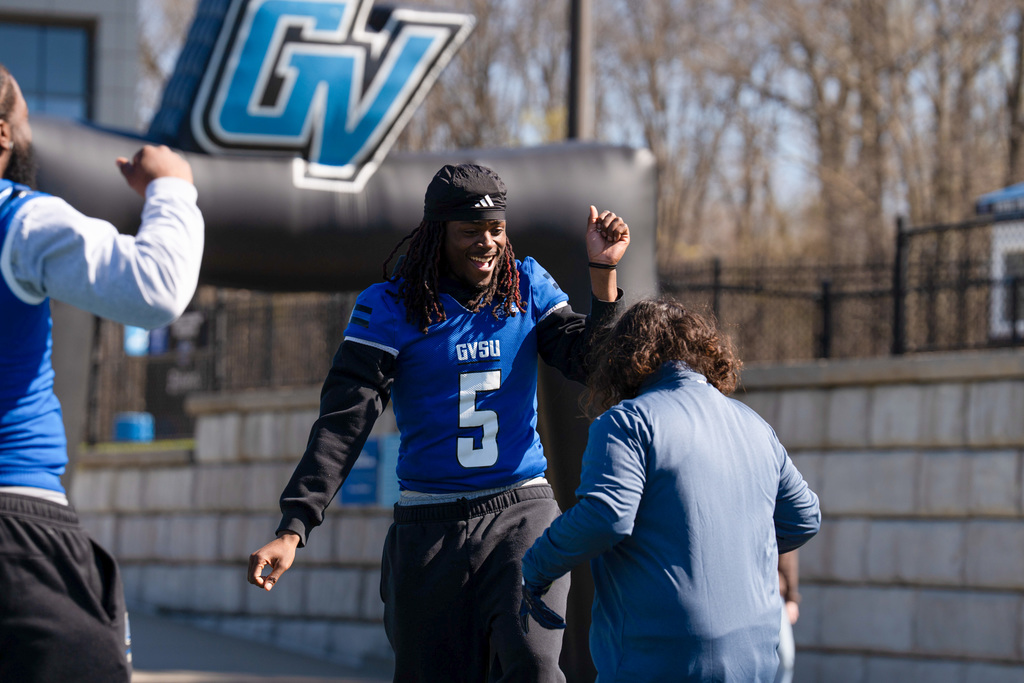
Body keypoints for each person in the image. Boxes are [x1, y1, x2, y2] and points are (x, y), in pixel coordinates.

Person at [248, 163, 629, 682]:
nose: (488, 243)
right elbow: (343, 422)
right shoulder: (389, 307)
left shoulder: (527, 285)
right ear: (437, 233)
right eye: (470, 232)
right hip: (429, 528)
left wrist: (602, 277)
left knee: (536, 667)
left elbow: (591, 362)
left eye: (496, 230)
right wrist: (294, 526)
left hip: (521, 512)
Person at [0, 64, 204, 682]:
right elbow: (156, 288)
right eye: (26, 121)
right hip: (15, 530)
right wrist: (172, 187)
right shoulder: (20, 220)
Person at [520, 300, 820, 682]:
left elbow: (606, 517)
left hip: (659, 656)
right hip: (755, 654)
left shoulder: (627, 422)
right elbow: (805, 518)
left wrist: (535, 565)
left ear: (623, 358)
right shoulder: (754, 424)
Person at [776, 550, 801, 683]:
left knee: (785, 657)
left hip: (775, 593)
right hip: (746, 590)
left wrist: (791, 596)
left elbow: (789, 551)